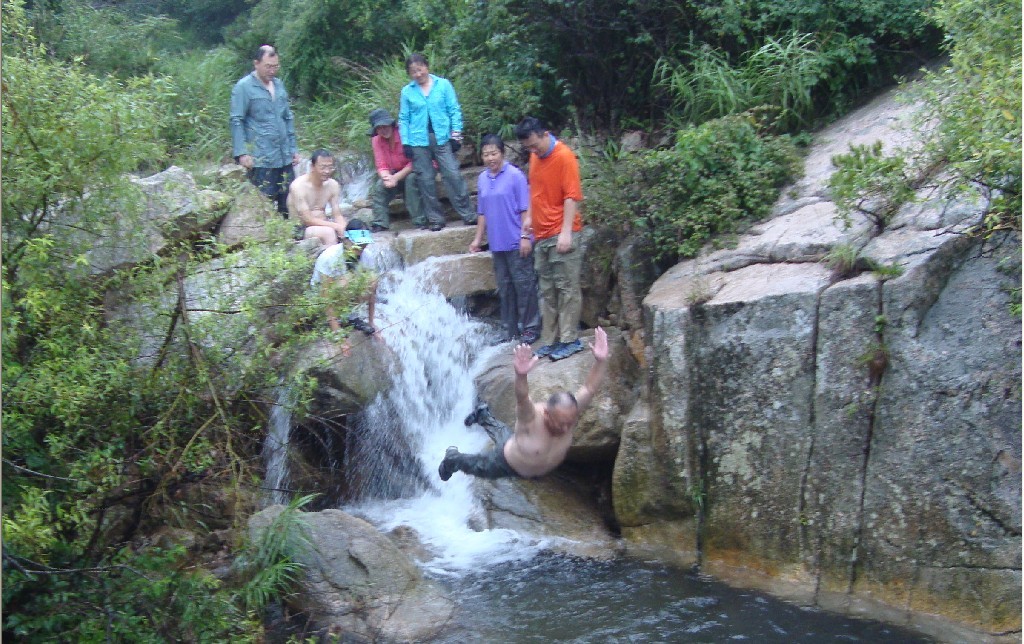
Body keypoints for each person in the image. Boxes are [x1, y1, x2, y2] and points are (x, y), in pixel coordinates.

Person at [438, 327, 608, 481]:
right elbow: (522, 397)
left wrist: (601, 361)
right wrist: (521, 375)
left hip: (525, 456)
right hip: (506, 464)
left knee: (506, 436)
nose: (565, 429)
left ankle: (483, 415)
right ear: (547, 414)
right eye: (561, 424)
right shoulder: (531, 418)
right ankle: (452, 458)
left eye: (569, 424)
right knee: (476, 465)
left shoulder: (569, 412)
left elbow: (590, 387)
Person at [515, 116, 585, 361]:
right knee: (547, 290)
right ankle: (550, 339)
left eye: (535, 145)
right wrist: (529, 220)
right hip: (542, 233)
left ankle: (570, 339)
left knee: (566, 287)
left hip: (561, 232)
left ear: (545, 133)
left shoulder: (564, 156)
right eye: (529, 148)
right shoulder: (535, 157)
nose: (533, 151)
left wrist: (566, 232)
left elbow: (572, 196)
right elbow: (536, 190)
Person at [469, 134, 541, 345]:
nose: (490, 158)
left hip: (517, 240)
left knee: (524, 285)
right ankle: (510, 329)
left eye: (494, 153)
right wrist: (477, 240)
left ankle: (530, 327)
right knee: (505, 287)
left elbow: (525, 209)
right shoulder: (483, 178)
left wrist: (525, 236)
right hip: (497, 243)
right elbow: (482, 213)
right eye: (486, 154)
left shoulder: (515, 176)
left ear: (502, 153)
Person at [398, 53, 475, 231]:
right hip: (418, 141)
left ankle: (468, 214)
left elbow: (454, 110)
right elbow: (404, 118)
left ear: (427, 66)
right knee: (425, 180)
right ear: (409, 74)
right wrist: (406, 143)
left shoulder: (443, 85)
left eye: (420, 69)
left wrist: (456, 135)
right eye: (413, 71)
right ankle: (435, 219)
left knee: (453, 175)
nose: (418, 74)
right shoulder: (407, 91)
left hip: (442, 138)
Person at [230, 45, 300, 218]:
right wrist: (242, 152)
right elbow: (236, 120)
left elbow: (287, 117)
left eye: (275, 66)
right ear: (256, 63)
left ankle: (291, 237)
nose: (272, 71)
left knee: (289, 198)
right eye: (268, 66)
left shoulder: (279, 84)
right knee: (264, 201)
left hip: (284, 154)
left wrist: (293, 148)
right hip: (261, 156)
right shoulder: (244, 87)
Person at [311, 219, 379, 338]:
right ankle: (333, 322)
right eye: (357, 244)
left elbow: (372, 293)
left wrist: (371, 322)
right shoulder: (329, 258)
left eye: (364, 244)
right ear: (345, 240)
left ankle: (350, 317)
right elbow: (325, 296)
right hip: (321, 302)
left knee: (372, 280)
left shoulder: (367, 256)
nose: (361, 247)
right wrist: (336, 332)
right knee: (346, 281)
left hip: (345, 299)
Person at [368, 108, 425, 231]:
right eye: (379, 128)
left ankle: (419, 220)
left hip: (415, 169)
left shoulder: (404, 133)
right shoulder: (376, 140)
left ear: (391, 124)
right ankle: (380, 223)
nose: (383, 130)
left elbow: (415, 161)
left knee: (410, 181)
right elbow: (381, 164)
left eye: (385, 126)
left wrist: (395, 177)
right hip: (394, 173)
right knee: (380, 186)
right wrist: (386, 177)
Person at [287, 149, 347, 246]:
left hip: (324, 223)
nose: (327, 171)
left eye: (330, 167)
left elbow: (337, 214)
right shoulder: (298, 186)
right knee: (329, 233)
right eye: (323, 167)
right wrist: (336, 226)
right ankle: (334, 261)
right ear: (312, 166)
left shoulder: (333, 185)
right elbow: (307, 219)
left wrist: (344, 228)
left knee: (355, 229)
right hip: (301, 228)